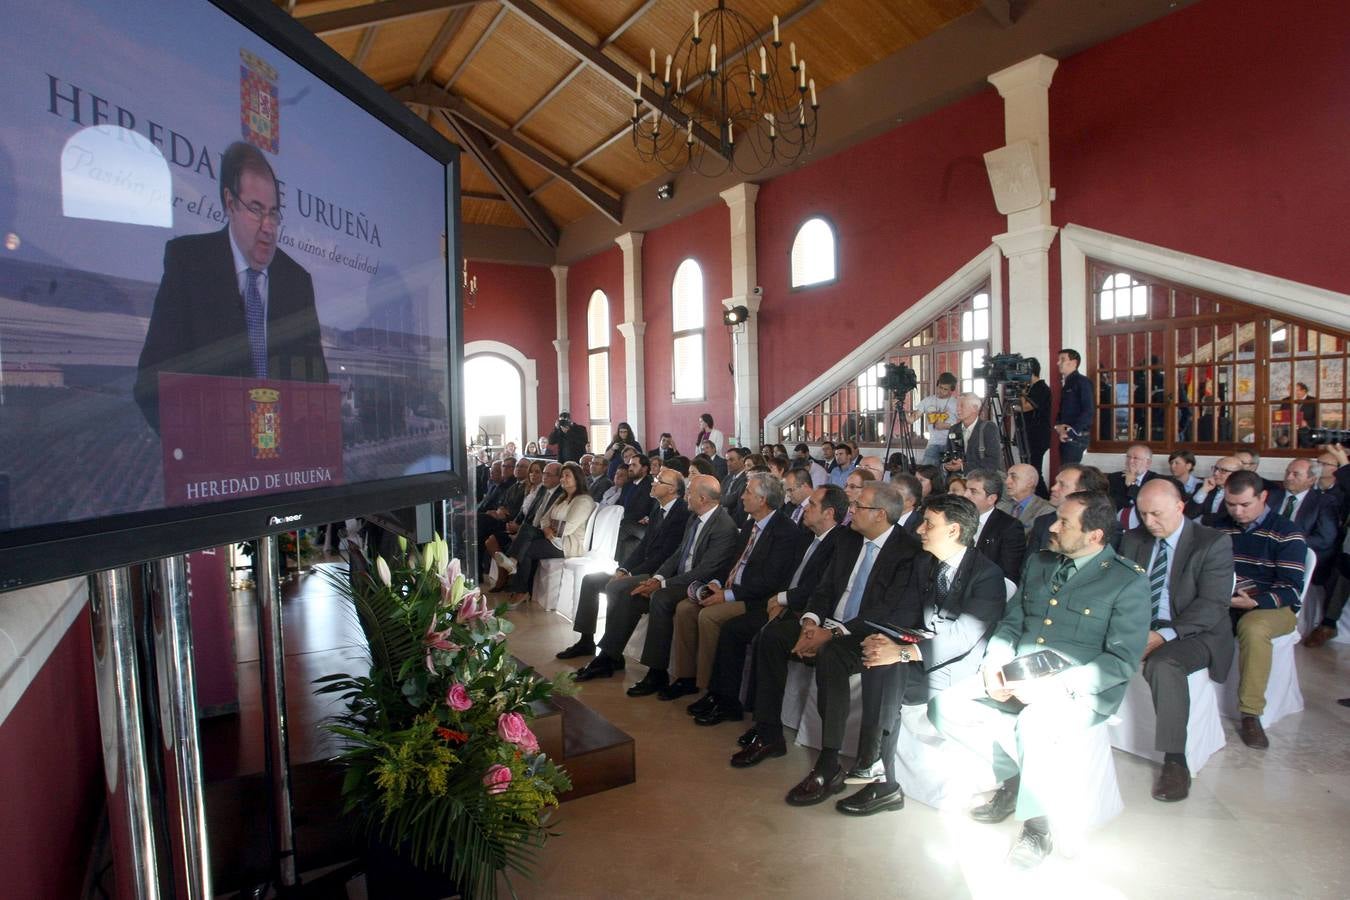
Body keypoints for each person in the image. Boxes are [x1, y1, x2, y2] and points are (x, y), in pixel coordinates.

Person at [930, 491, 1148, 869]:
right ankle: (1016, 779)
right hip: (1019, 671)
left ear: (1095, 536)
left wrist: (1056, 687)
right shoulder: (1040, 563)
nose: (1053, 527)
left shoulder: (1125, 582)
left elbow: (1121, 660)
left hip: (1078, 687)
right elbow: (1013, 621)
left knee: (1034, 722)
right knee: (944, 707)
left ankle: (1038, 824)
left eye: (1065, 523)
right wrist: (995, 664)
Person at [730, 484, 922, 801]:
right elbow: (824, 587)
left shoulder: (907, 550)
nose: (851, 511)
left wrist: (832, 634)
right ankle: (768, 732)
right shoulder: (848, 539)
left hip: (866, 631)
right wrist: (810, 622)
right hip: (827, 622)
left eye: (858, 506)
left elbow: (886, 609)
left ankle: (829, 761)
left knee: (832, 655)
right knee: (773, 636)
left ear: (880, 515)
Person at [135, 141, 327, 431]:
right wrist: (199, 448)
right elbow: (152, 385)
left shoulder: (296, 281)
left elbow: (315, 386)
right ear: (230, 202)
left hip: (283, 466)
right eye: (256, 209)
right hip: (212, 461)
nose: (268, 226)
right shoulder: (189, 263)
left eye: (273, 213)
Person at [840, 493, 1006, 815]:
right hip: (922, 649)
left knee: (890, 669)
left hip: (959, 664)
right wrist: (884, 637)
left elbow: (963, 637)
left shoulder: (987, 574)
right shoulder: (925, 562)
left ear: (954, 531)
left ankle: (879, 774)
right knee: (878, 659)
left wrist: (902, 652)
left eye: (929, 523)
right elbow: (906, 611)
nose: (919, 530)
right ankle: (876, 769)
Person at [1118, 479, 1235, 801]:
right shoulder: (1133, 539)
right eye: (1143, 515)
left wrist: (1162, 635)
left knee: (1164, 663)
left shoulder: (1211, 543)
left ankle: (1175, 761)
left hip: (1195, 631)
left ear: (1180, 507)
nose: (1149, 522)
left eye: (1156, 514)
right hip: (1144, 624)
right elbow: (1122, 589)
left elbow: (1212, 605)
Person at [700, 486, 850, 728]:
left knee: (756, 634)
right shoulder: (807, 535)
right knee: (732, 629)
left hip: (802, 609)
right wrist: (778, 598)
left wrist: (782, 599)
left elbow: (818, 587)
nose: (805, 509)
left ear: (829, 513)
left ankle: (750, 712)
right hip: (780, 602)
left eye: (812, 505)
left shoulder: (838, 543)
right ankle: (722, 697)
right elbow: (786, 574)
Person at [588, 475, 740, 696]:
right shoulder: (695, 517)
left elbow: (705, 570)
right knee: (630, 592)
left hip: (699, 583)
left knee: (661, 598)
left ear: (703, 498)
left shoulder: (723, 525)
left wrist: (663, 585)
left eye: (689, 492)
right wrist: (657, 578)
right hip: (679, 577)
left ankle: (656, 671)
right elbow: (677, 555)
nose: (685, 495)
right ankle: (609, 656)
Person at [672, 473, 806, 711]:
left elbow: (770, 582)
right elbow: (731, 562)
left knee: (709, 616)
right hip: (731, 588)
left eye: (748, 493)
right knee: (685, 608)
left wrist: (726, 595)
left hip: (756, 599)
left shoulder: (784, 532)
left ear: (763, 499)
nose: (741, 497)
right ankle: (686, 677)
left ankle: (714, 690)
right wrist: (716, 583)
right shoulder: (750, 523)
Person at [1214, 470, 1309, 749]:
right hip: (1228, 599)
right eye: (1231, 505)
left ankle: (1250, 713)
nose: (1238, 511)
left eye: (1245, 505)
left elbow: (1292, 587)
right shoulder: (1219, 528)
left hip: (1272, 605)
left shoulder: (1287, 532)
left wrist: (1256, 602)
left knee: (1253, 628)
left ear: (1263, 497)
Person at [564, 469, 689, 669]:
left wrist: (631, 574)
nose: (653, 482)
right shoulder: (658, 509)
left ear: (673, 489)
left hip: (660, 573)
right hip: (644, 568)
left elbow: (665, 555)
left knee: (618, 588)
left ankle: (610, 655)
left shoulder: (682, 513)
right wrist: (623, 569)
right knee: (591, 580)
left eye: (659, 480)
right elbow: (643, 547)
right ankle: (586, 640)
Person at [497, 462, 596, 605]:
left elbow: (567, 528)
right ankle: (514, 565)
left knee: (526, 550)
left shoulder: (584, 500)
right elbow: (544, 519)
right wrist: (547, 528)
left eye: (567, 475)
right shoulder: (562, 497)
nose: (563, 479)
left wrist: (550, 527)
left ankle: (520, 587)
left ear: (578, 478)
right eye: (562, 476)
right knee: (526, 528)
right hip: (552, 537)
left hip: (567, 545)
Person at [961, 469, 1027, 585]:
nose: (965, 495)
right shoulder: (954, 519)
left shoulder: (1009, 527)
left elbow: (1009, 575)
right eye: (966, 489)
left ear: (991, 499)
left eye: (973, 491)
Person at [1026, 463, 1110, 554]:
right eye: (1056, 483)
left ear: (1082, 493)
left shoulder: (1107, 527)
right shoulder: (1043, 521)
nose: (1053, 488)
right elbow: (1029, 564)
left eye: (1062, 485)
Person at [1108, 444, 1164, 530]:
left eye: (1135, 458)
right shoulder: (1114, 478)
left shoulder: (1155, 481)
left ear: (1148, 463)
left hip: (1144, 528)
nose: (1130, 461)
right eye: (1128, 457)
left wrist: (1132, 484)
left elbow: (1149, 504)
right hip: (1116, 526)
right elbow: (1111, 503)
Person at [945, 393, 1002, 476]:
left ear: (975, 408)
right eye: (957, 406)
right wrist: (947, 464)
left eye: (962, 406)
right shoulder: (954, 429)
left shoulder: (988, 428)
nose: (958, 409)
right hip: (958, 480)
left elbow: (993, 462)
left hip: (982, 480)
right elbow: (948, 454)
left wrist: (962, 466)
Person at [1053, 348, 1093, 465]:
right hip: (1066, 436)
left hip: (1076, 438)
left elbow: (1088, 411)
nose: (1058, 363)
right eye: (1058, 360)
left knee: (1069, 472)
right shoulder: (1068, 383)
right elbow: (1063, 410)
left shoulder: (1082, 382)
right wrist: (1058, 427)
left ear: (1074, 363)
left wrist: (1071, 432)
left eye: (1063, 359)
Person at [1019, 358, 1053, 491]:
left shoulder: (1041, 388)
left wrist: (1021, 391)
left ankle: (1043, 500)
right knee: (1030, 471)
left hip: (1037, 437)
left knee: (1034, 473)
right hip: (1029, 435)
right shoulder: (1031, 388)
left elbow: (1026, 407)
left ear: (1030, 372)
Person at [911, 372, 959, 466]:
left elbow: (964, 424)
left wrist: (947, 426)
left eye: (945, 389)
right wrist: (900, 408)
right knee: (926, 472)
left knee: (948, 475)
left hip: (951, 444)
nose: (941, 391)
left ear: (951, 390)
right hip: (933, 443)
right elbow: (912, 419)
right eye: (940, 387)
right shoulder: (928, 400)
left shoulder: (956, 403)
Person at [1184, 456, 1244, 525]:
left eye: (1223, 471)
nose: (1216, 473)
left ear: (1237, 474)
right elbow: (1187, 515)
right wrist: (1203, 491)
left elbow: (1229, 518)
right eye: (1215, 469)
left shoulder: (1242, 491)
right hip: (1199, 531)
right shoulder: (1203, 486)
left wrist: (1202, 519)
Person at [1001, 463, 1054, 536]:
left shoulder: (1045, 511)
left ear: (1030, 483)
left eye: (1013, 477)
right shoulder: (1001, 506)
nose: (1007, 482)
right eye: (1007, 477)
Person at [721, 447, 750, 520]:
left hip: (735, 519)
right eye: (727, 460)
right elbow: (720, 494)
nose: (728, 463)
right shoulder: (727, 478)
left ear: (742, 460)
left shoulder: (746, 478)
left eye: (731, 460)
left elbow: (734, 501)